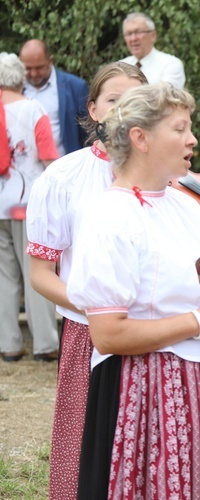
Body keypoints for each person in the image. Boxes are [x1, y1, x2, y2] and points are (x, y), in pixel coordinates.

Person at [26, 63, 200, 499]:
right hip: (152, 391)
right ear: (141, 137)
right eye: (180, 128)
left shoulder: (187, 205)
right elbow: (109, 333)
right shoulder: (109, 213)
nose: (193, 140)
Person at [0, 52, 59, 363]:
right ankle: (45, 344)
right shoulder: (33, 108)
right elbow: (49, 158)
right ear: (20, 77)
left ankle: (9, 344)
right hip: (27, 204)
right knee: (37, 271)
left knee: (3, 276)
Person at [19, 39, 88, 155]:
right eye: (28, 69)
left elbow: (89, 132)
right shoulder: (13, 89)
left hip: (65, 166)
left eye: (39, 68)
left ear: (50, 61)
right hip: (26, 170)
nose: (34, 74)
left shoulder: (75, 87)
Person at [120, 12, 186, 88]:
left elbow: (166, 97)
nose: (133, 38)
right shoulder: (121, 66)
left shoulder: (170, 65)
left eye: (138, 32)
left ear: (153, 35)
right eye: (128, 34)